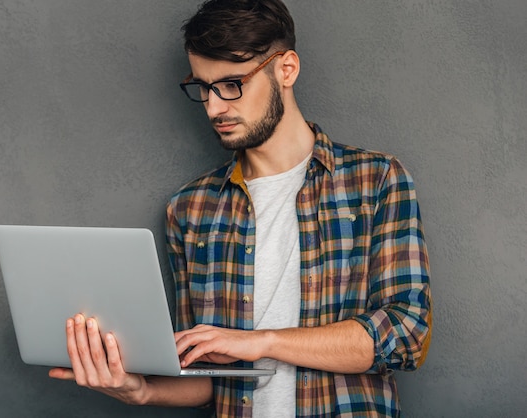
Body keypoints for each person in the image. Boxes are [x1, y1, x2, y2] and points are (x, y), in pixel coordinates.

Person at [49, 0, 433, 416]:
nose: (214, 108)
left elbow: (406, 334)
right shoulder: (190, 210)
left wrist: (261, 342)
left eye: (232, 85)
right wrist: (140, 390)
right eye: (203, 88)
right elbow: (208, 377)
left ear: (285, 69)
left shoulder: (375, 180)